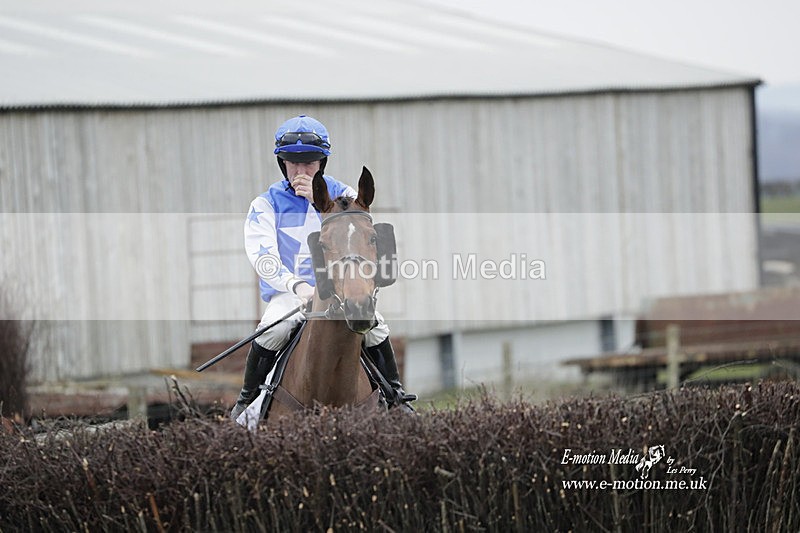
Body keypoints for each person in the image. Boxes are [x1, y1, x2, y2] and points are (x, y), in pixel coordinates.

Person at [231, 115, 415, 420]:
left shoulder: (344, 196)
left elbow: (355, 242)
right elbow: (263, 258)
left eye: (310, 163)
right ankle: (246, 402)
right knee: (272, 329)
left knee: (376, 326)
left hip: (338, 290)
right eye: (293, 163)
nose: (301, 171)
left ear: (322, 163)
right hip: (290, 293)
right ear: (282, 164)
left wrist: (320, 206)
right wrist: (298, 287)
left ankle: (397, 397)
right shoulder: (264, 204)